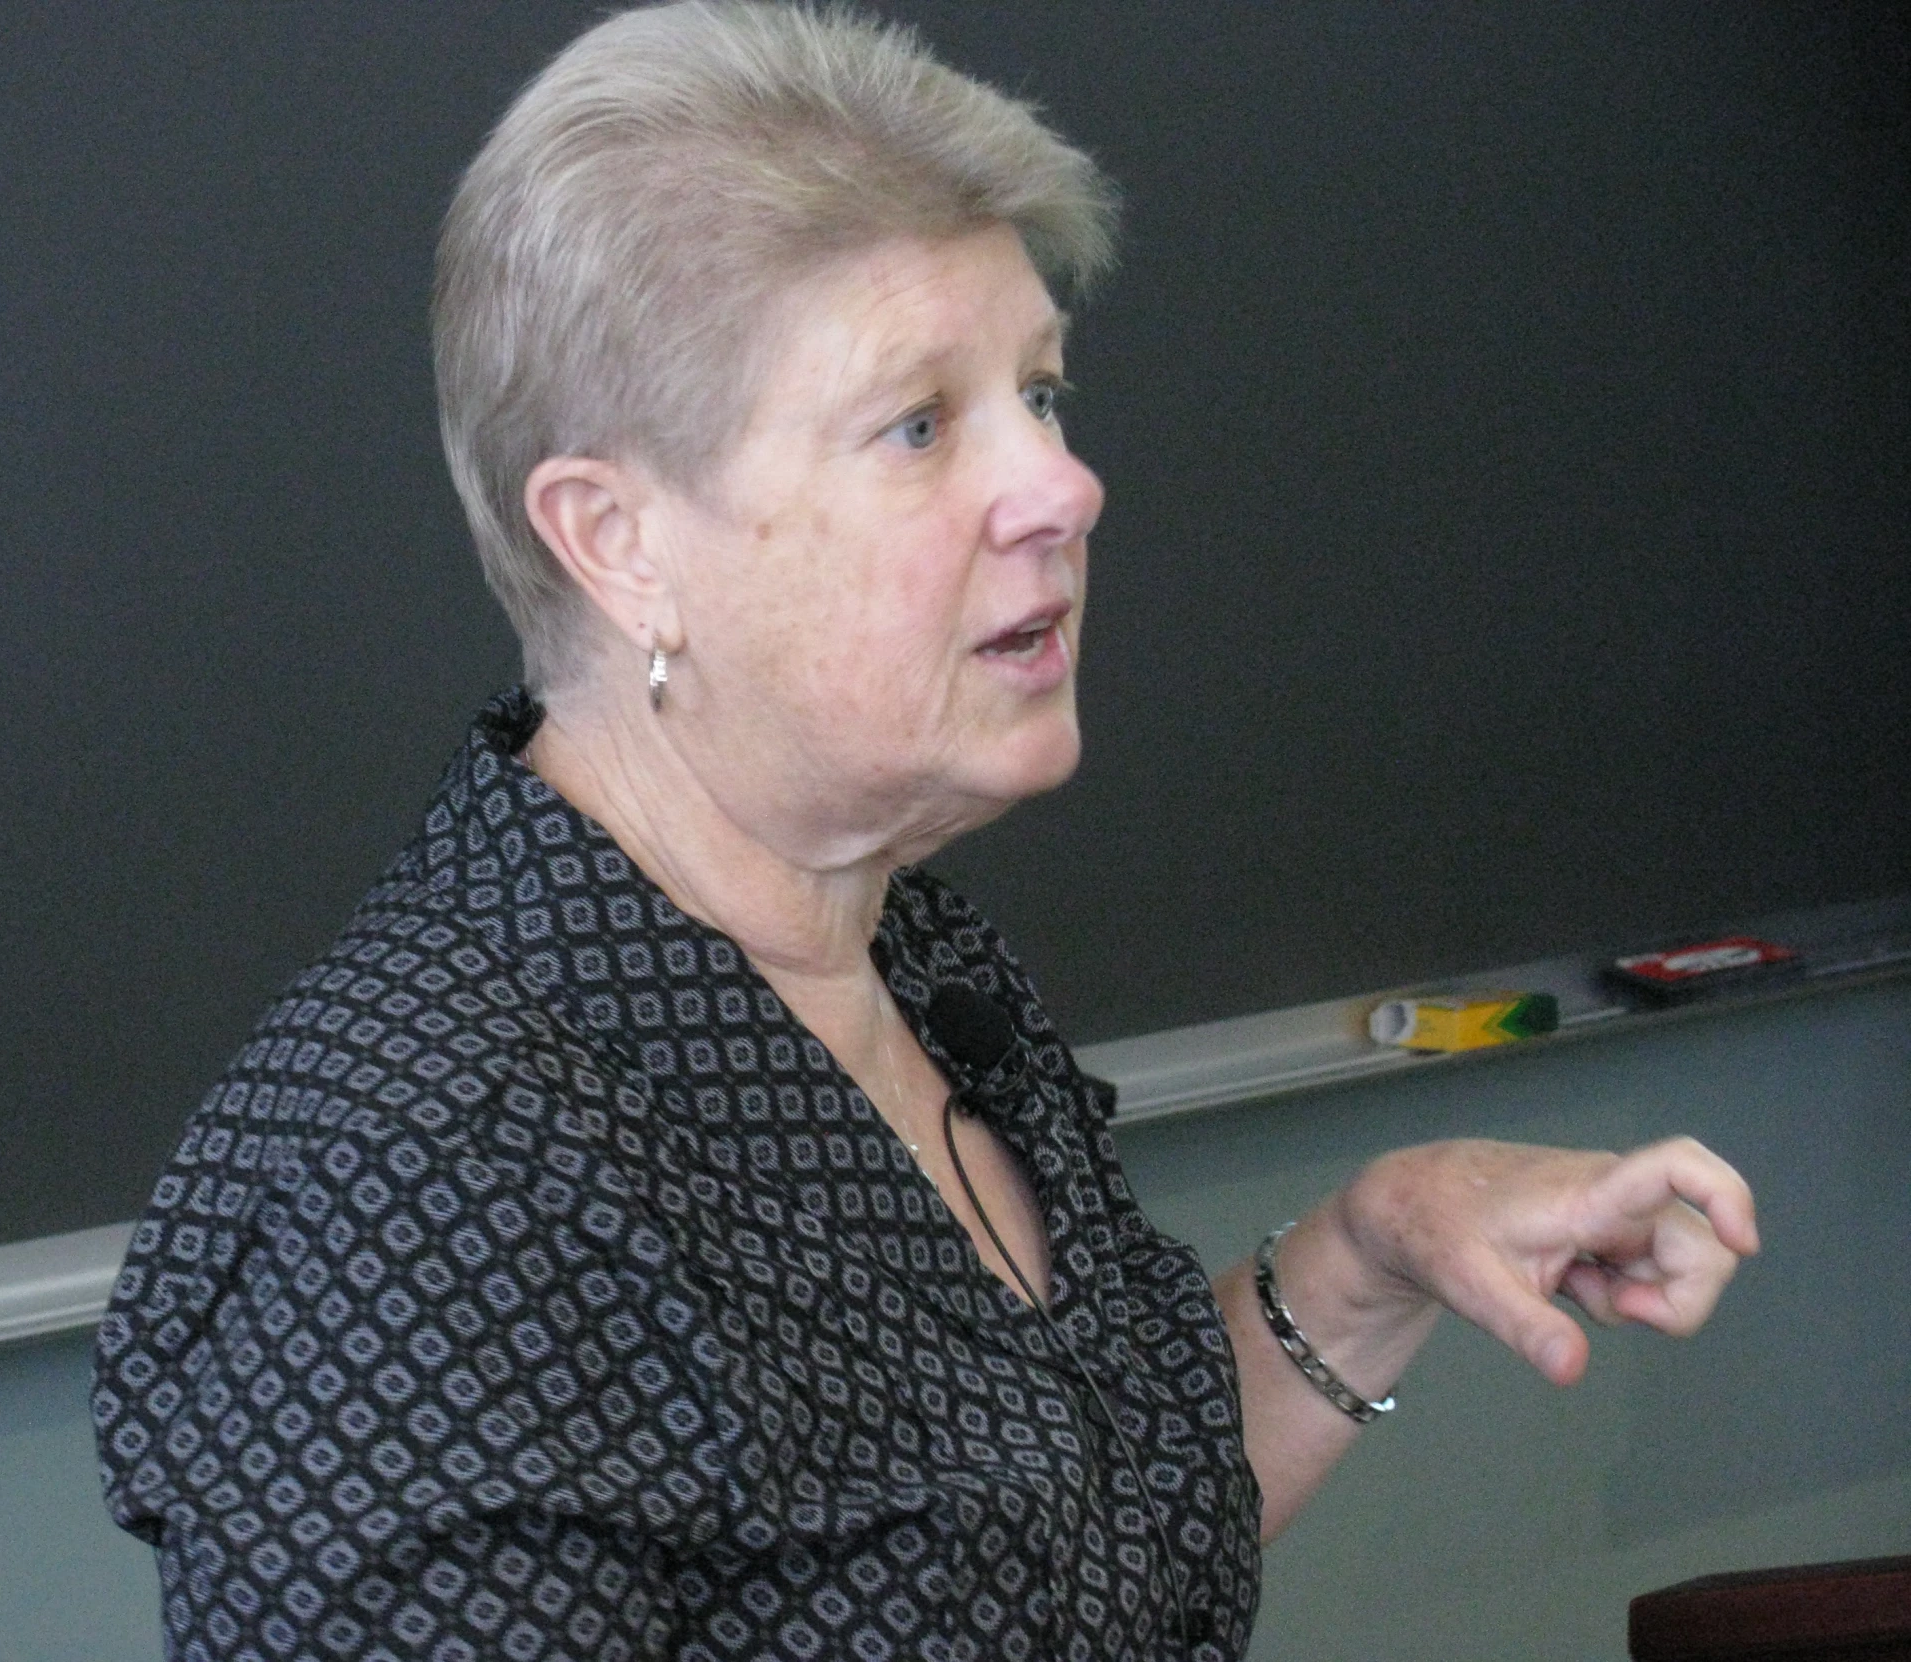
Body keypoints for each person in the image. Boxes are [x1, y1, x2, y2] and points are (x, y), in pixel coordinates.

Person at [92, 5, 1758, 1659]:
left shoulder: (910, 955)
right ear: (618, 540)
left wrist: (1381, 1241)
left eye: (1040, 388)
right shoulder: (405, 1183)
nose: (1061, 484)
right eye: (919, 422)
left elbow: (1083, 1555)